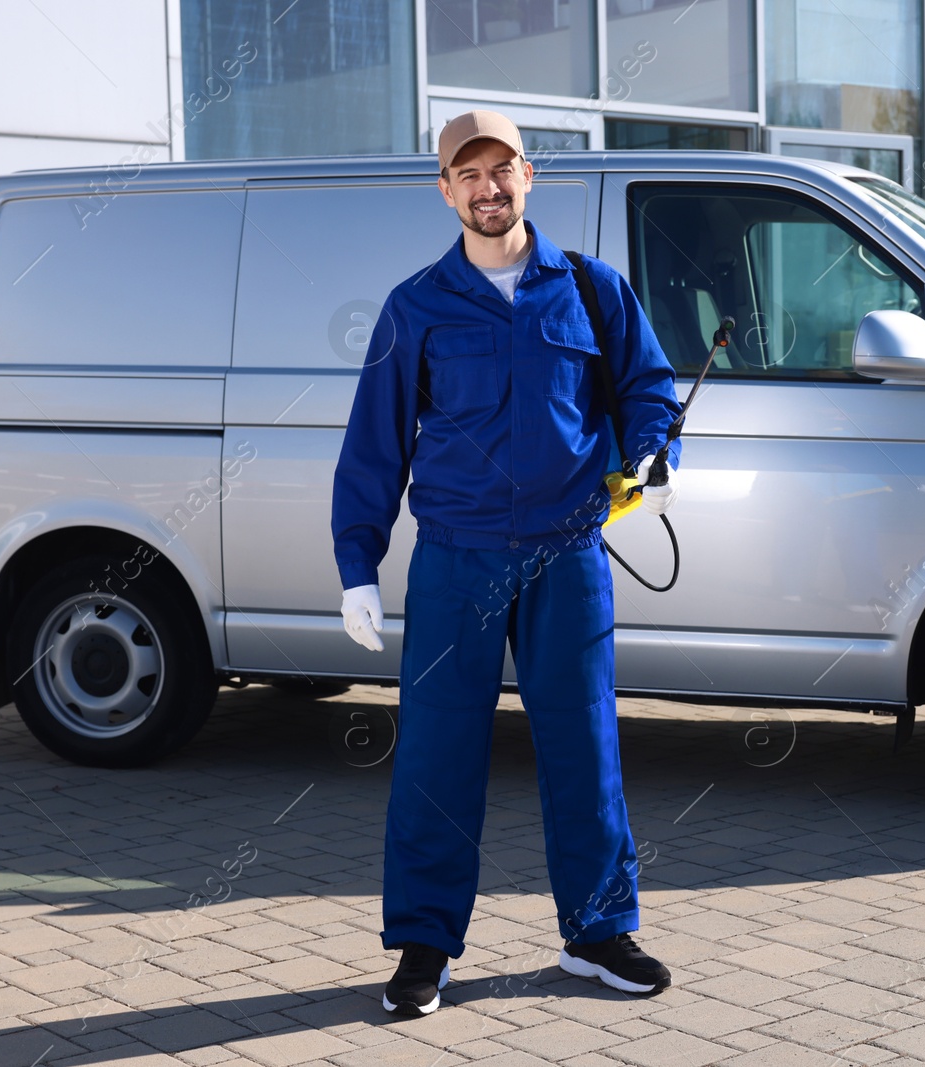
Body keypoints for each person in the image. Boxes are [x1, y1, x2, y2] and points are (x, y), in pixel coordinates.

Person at [330, 109, 683, 1017]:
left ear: (530, 175)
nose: (488, 188)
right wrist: (357, 566)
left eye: (502, 170)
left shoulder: (594, 290)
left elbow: (647, 386)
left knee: (585, 747)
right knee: (438, 756)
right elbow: (374, 447)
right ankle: (422, 945)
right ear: (445, 190)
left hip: (568, 557)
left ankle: (599, 933)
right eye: (468, 174)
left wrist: (649, 455)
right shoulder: (416, 307)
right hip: (456, 561)